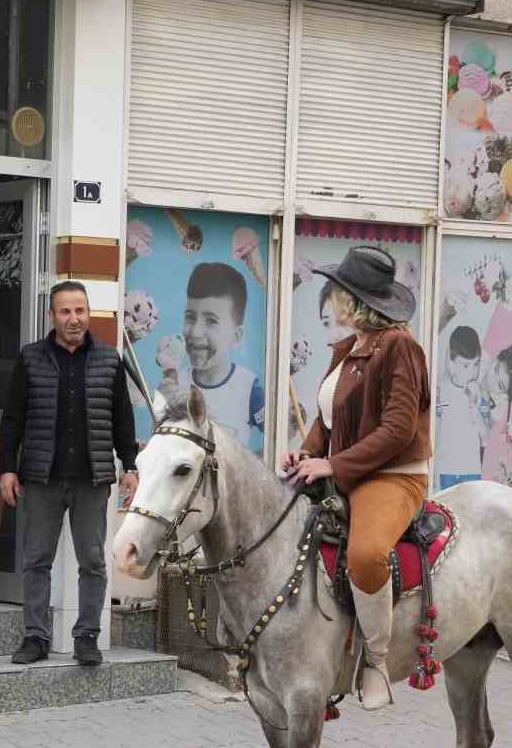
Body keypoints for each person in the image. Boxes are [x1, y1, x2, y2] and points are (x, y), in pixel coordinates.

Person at [280, 246, 432, 711]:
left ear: (354, 299)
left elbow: (398, 429)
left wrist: (334, 465)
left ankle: (377, 663)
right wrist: (305, 453)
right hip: (348, 472)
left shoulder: (401, 347)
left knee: (366, 554)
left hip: (393, 476)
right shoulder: (347, 350)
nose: (331, 298)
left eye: (338, 290)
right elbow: (327, 420)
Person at [0, 282, 140, 666]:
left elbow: (123, 419)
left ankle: (87, 637)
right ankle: (35, 637)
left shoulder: (110, 360)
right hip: (41, 478)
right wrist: (7, 469)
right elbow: (12, 419)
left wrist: (130, 466)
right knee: (36, 560)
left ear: (88, 313)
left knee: (93, 561)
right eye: (65, 311)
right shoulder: (31, 359)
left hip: (92, 480)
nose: (73, 319)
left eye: (79, 310)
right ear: (52, 316)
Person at [181, 262, 265, 453]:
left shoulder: (250, 388)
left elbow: (281, 437)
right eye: (190, 317)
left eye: (211, 321)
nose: (196, 332)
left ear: (236, 337)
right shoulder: (175, 385)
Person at [436, 324, 484, 489]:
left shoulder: (478, 392)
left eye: (476, 364)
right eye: (465, 365)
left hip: (471, 468)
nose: (472, 372)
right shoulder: (440, 390)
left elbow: (485, 435)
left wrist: (474, 408)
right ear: (451, 363)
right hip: (446, 469)